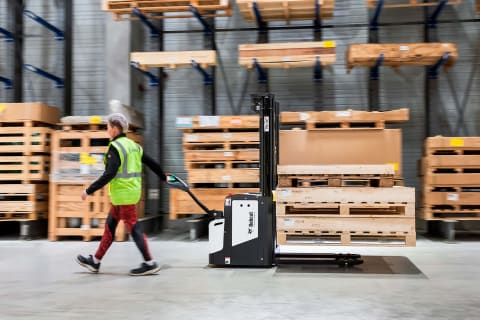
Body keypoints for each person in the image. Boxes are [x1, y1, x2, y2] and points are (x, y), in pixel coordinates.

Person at [76, 112, 166, 276]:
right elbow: (152, 163)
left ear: (116, 129)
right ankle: (95, 261)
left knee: (134, 228)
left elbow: (109, 174)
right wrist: (163, 176)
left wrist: (88, 190)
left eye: (108, 127)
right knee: (110, 226)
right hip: (127, 194)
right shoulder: (133, 146)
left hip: (123, 195)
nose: (107, 130)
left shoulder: (116, 148)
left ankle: (149, 262)